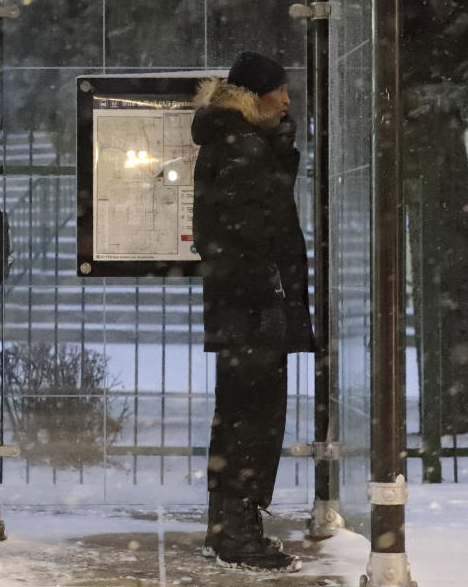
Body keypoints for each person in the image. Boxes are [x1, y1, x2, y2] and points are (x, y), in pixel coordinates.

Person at [191, 51, 315, 572]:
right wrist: (268, 303)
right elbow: (249, 236)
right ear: (255, 95)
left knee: (240, 415)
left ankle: (229, 526)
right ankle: (239, 530)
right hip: (255, 310)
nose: (288, 100)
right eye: (280, 90)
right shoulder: (242, 147)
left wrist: (279, 152)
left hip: (244, 308)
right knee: (255, 420)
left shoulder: (238, 142)